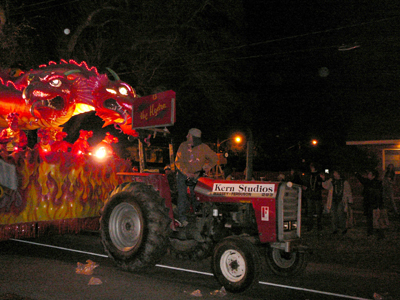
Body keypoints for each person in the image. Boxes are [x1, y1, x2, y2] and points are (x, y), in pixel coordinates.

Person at [175, 128, 218, 226]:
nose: (186, 136)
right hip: (183, 175)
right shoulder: (183, 146)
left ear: (193, 137)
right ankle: (182, 218)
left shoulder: (204, 147)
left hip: (197, 175)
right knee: (182, 196)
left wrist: (208, 166)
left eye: (188, 135)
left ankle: (197, 217)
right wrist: (186, 173)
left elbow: (214, 158)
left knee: (197, 196)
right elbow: (178, 162)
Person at [321, 170, 353, 235]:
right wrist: (324, 179)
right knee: (333, 214)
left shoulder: (344, 182)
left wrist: (349, 200)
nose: (334, 174)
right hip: (333, 200)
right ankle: (334, 229)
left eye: (335, 173)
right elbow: (326, 186)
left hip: (341, 200)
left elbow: (348, 191)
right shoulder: (332, 181)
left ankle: (343, 228)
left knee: (340, 213)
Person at [355, 170, 385, 238]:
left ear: (373, 176)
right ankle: (372, 232)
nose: (368, 175)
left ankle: (375, 232)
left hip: (372, 203)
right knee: (371, 219)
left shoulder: (373, 183)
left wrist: (379, 204)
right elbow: (362, 179)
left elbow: (379, 194)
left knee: (374, 219)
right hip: (370, 203)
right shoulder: (371, 182)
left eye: (369, 174)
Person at [305, 163, 324, 231]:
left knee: (318, 212)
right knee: (310, 212)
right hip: (310, 196)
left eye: (312, 167)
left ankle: (319, 225)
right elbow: (306, 184)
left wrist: (323, 179)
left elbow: (322, 185)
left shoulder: (318, 175)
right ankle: (310, 226)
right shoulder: (309, 175)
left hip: (317, 196)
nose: (311, 168)